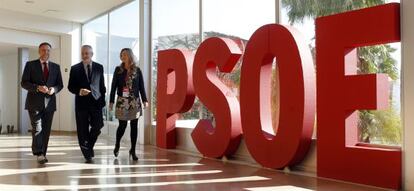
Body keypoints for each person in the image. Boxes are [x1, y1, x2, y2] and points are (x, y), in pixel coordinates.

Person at [21, 42, 63, 164]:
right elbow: (24, 83)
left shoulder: (56, 67)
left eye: (48, 50)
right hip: (34, 103)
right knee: (37, 128)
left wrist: (53, 89)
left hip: (50, 104)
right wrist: (38, 87)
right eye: (43, 50)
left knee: (46, 130)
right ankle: (39, 153)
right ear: (39, 51)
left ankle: (43, 153)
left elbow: (60, 84)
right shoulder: (30, 65)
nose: (46, 52)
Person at [68, 45, 106, 163]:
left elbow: (102, 86)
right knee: (82, 129)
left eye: (87, 53)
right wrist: (79, 91)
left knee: (98, 125)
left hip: (96, 102)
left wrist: (102, 101)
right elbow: (70, 87)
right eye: (83, 53)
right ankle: (87, 153)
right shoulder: (75, 68)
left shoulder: (99, 67)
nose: (85, 55)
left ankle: (89, 145)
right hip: (81, 103)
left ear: (92, 54)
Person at [109, 48, 148, 161]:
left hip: (134, 101)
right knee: (122, 125)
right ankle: (117, 144)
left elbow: (141, 87)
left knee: (134, 126)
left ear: (130, 56)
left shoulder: (137, 70)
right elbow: (113, 86)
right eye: (121, 55)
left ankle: (133, 150)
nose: (122, 56)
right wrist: (111, 101)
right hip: (122, 101)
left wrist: (145, 100)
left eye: (125, 54)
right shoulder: (118, 70)